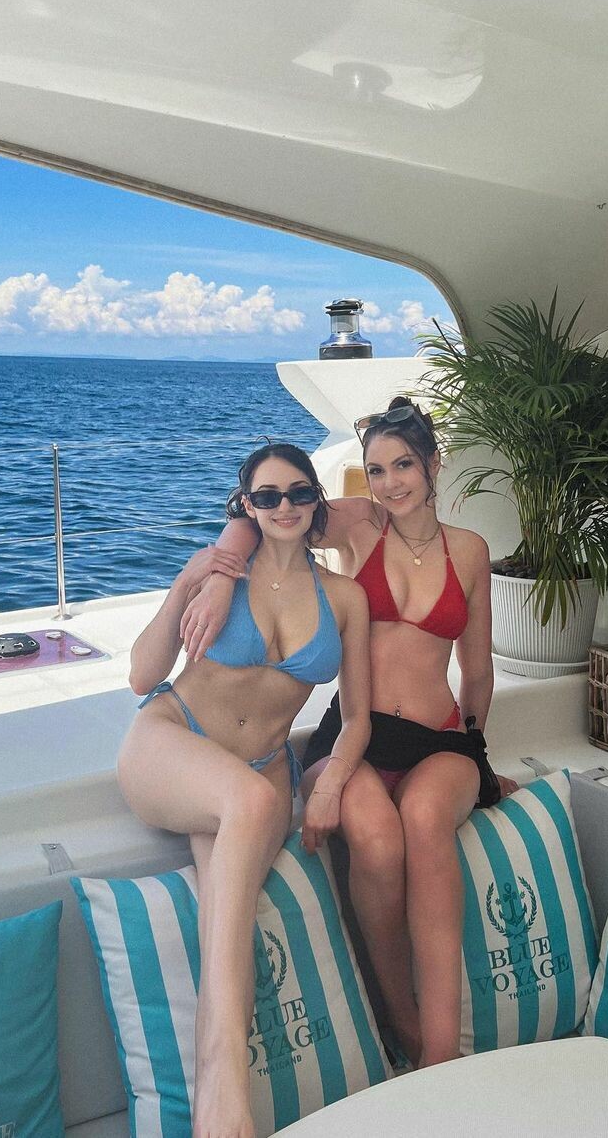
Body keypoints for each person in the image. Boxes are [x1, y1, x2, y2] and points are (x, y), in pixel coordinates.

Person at [181, 399, 515, 1070]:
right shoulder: (359, 524)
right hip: (356, 735)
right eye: (377, 469)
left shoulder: (470, 551)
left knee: (425, 817)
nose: (390, 483)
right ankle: (401, 1022)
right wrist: (218, 577)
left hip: (440, 738)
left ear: (433, 465)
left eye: (404, 466)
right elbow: (266, 509)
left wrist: (478, 753)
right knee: (377, 838)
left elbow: (477, 670)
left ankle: (442, 1054)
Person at [118, 442, 371, 1138]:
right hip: (173, 740)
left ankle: (216, 1109)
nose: (284, 506)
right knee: (254, 805)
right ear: (248, 506)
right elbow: (141, 675)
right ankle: (225, 1081)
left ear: (316, 499)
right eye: (266, 496)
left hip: (256, 770)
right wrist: (190, 582)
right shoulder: (220, 572)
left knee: (225, 904)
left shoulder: (345, 598)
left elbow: (357, 718)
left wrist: (331, 782)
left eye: (298, 492)